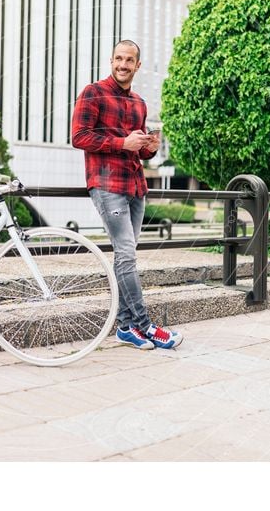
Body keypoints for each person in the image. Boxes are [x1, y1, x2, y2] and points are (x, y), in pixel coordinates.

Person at [71, 40, 183, 350]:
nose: (123, 64)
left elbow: (139, 150)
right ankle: (147, 327)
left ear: (137, 65)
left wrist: (149, 148)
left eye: (129, 60)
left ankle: (125, 327)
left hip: (136, 186)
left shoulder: (139, 103)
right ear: (111, 61)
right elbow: (79, 136)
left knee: (126, 258)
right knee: (126, 255)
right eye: (119, 58)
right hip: (107, 186)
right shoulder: (93, 93)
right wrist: (122, 143)